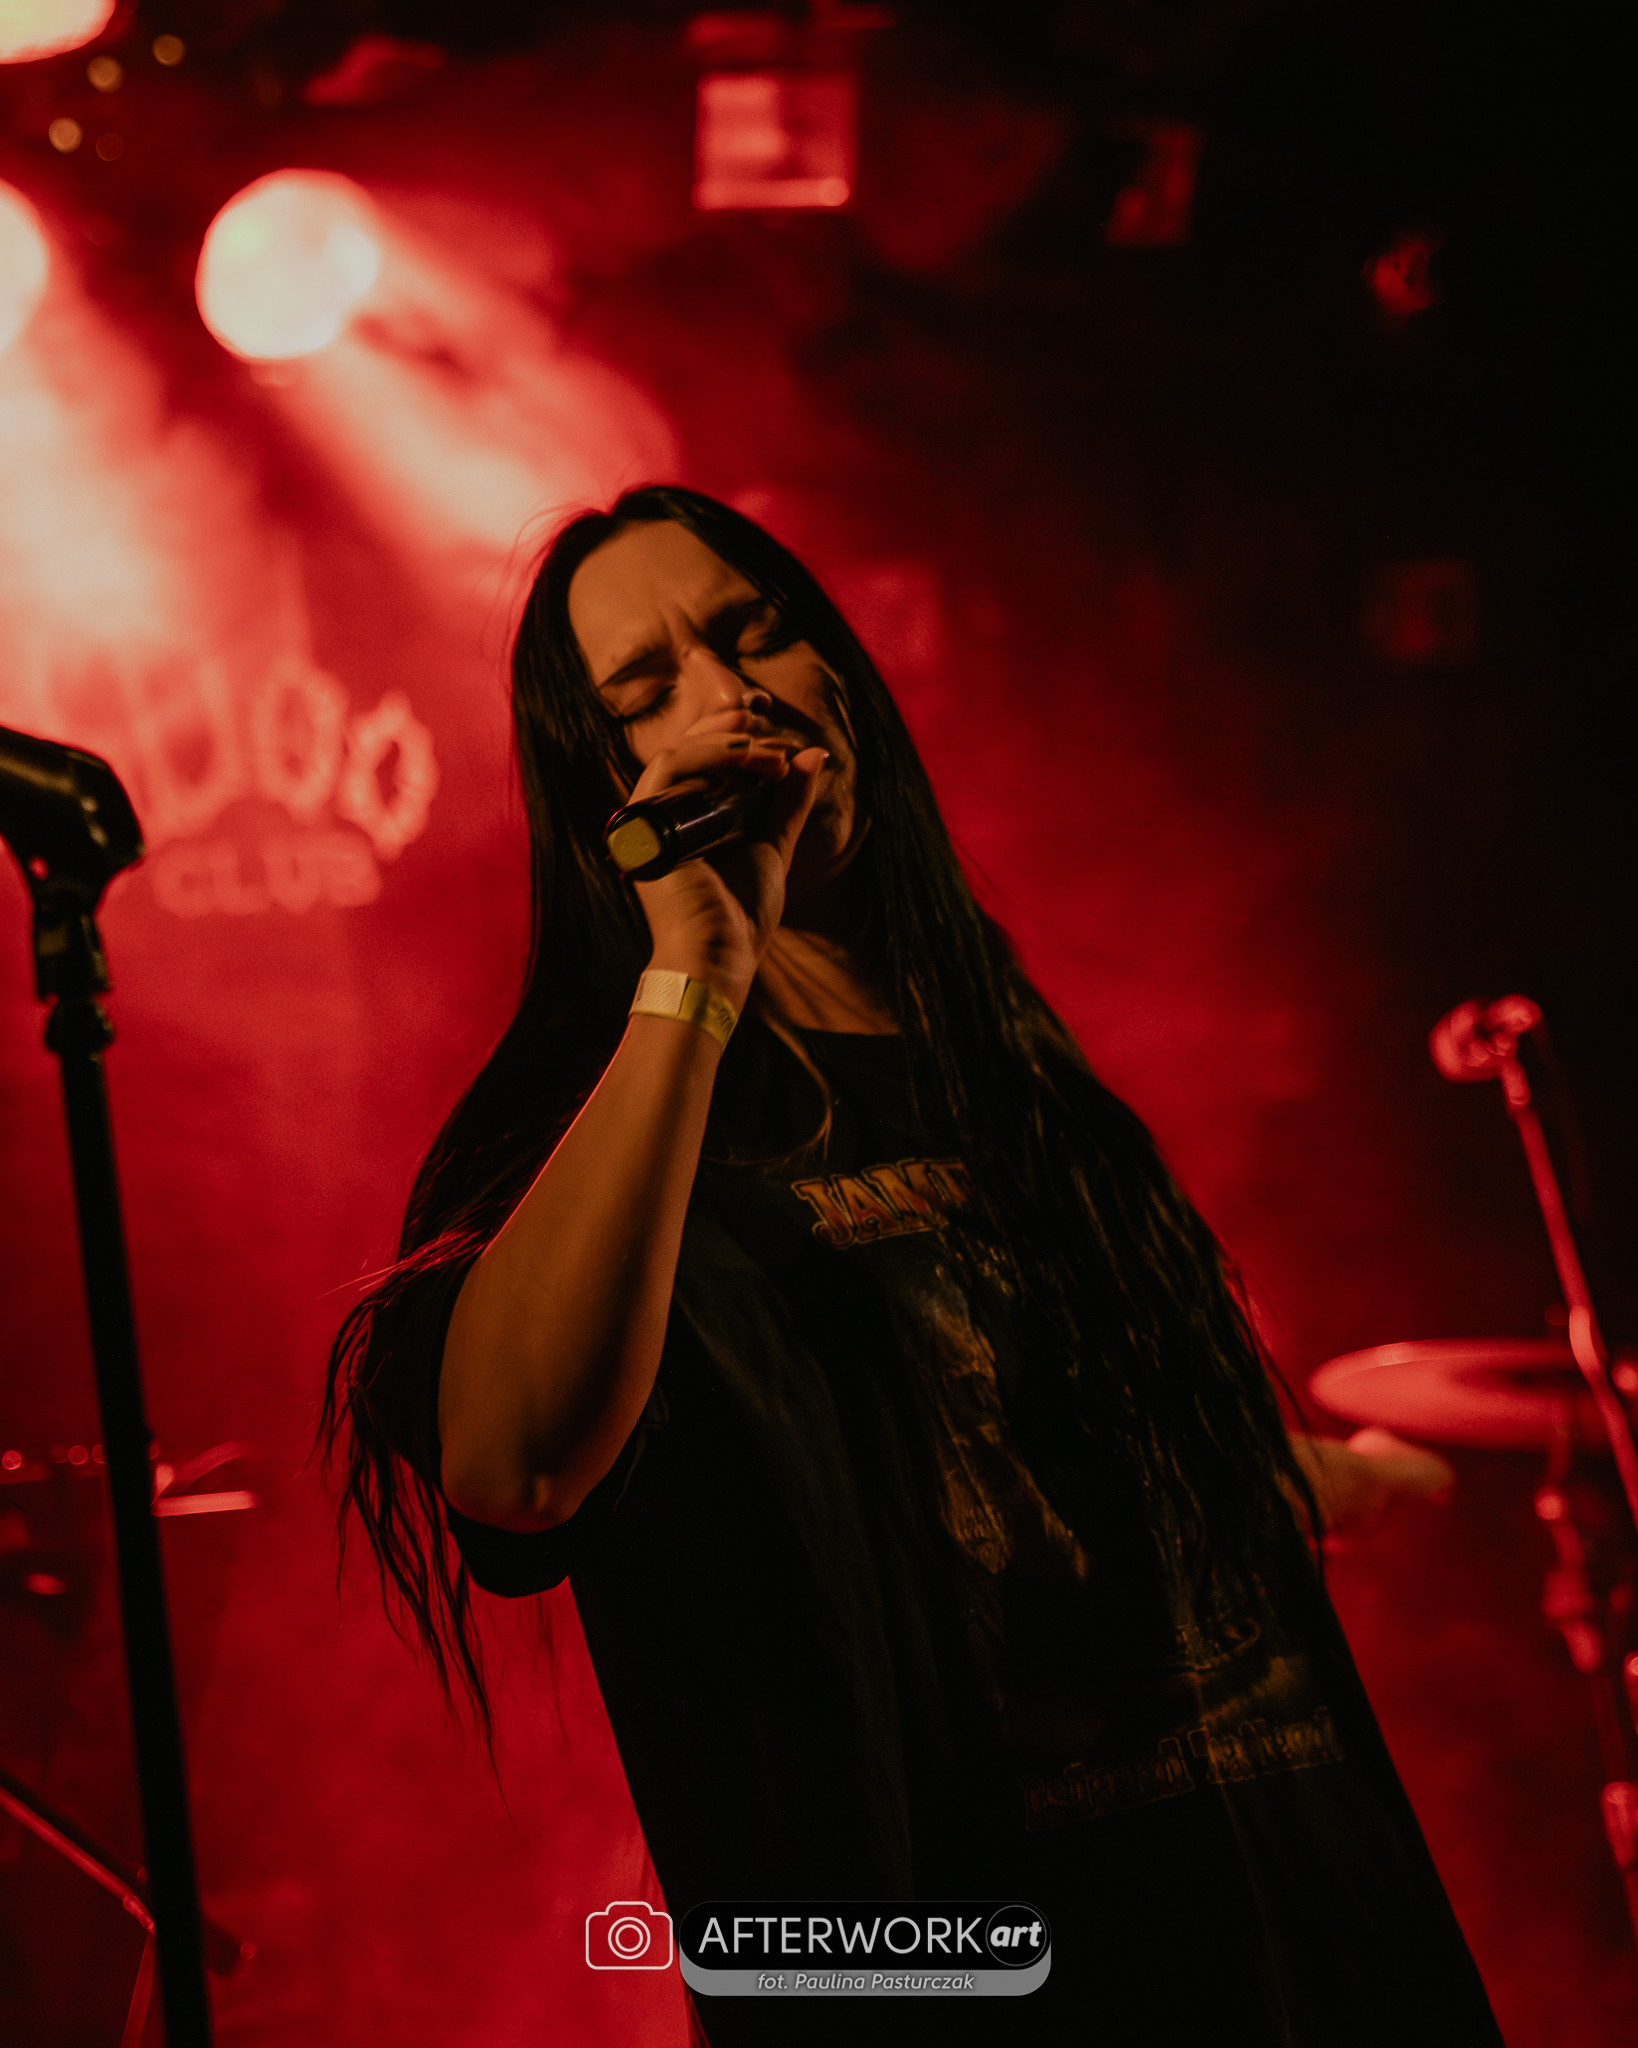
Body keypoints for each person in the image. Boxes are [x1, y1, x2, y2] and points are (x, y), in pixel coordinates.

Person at [321, 485, 1499, 2046]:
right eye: (646, 689)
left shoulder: (1021, 1078)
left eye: (753, 634)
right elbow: (517, 1463)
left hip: (1305, 1952)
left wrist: (1310, 1477)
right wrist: (696, 975)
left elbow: (1063, 1474)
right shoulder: (586, 1124)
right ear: (605, 788)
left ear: (840, 677)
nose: (729, 696)